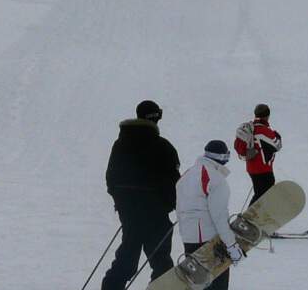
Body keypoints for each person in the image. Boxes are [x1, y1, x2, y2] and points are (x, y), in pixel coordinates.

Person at [101, 100, 180, 290]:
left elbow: (111, 177)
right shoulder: (163, 146)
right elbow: (173, 181)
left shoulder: (120, 144)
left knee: (129, 250)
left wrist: (121, 202)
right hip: (155, 210)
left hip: (129, 210)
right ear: (156, 118)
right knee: (160, 257)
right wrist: (169, 204)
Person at [175, 140, 244, 290]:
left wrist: (185, 234)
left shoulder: (186, 176)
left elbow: (179, 210)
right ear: (221, 157)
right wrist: (231, 244)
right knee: (217, 283)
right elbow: (219, 216)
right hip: (209, 239)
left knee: (198, 283)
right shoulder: (216, 179)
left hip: (189, 237)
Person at [233, 104, 281, 202]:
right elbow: (277, 145)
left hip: (252, 168)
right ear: (268, 115)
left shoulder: (250, 129)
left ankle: (250, 216)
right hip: (264, 170)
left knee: (259, 194)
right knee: (263, 196)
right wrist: (276, 135)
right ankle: (249, 217)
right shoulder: (263, 130)